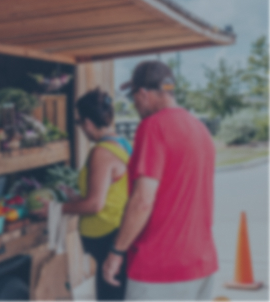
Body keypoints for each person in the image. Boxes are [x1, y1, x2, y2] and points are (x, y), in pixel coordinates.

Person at [102, 61, 218, 301]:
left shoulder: (153, 126)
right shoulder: (200, 129)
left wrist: (116, 251)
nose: (133, 103)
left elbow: (143, 200)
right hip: (201, 263)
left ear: (144, 93)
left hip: (161, 268)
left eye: (133, 95)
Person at [35, 89, 132, 300]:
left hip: (107, 236)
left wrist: (54, 209)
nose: (80, 128)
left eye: (79, 122)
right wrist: (77, 198)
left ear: (88, 122)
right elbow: (109, 195)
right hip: (114, 233)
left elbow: (96, 205)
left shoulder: (101, 152)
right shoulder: (121, 143)